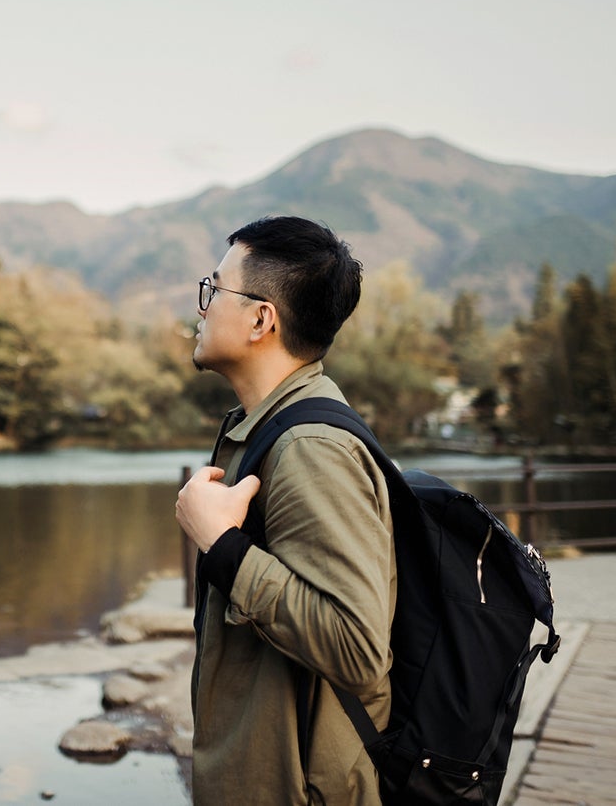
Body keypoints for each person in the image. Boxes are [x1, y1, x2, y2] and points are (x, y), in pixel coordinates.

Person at [175, 215, 395, 806]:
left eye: (214, 289)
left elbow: (357, 649)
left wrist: (223, 548)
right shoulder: (273, 429)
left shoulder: (310, 447)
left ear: (260, 319)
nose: (202, 307)